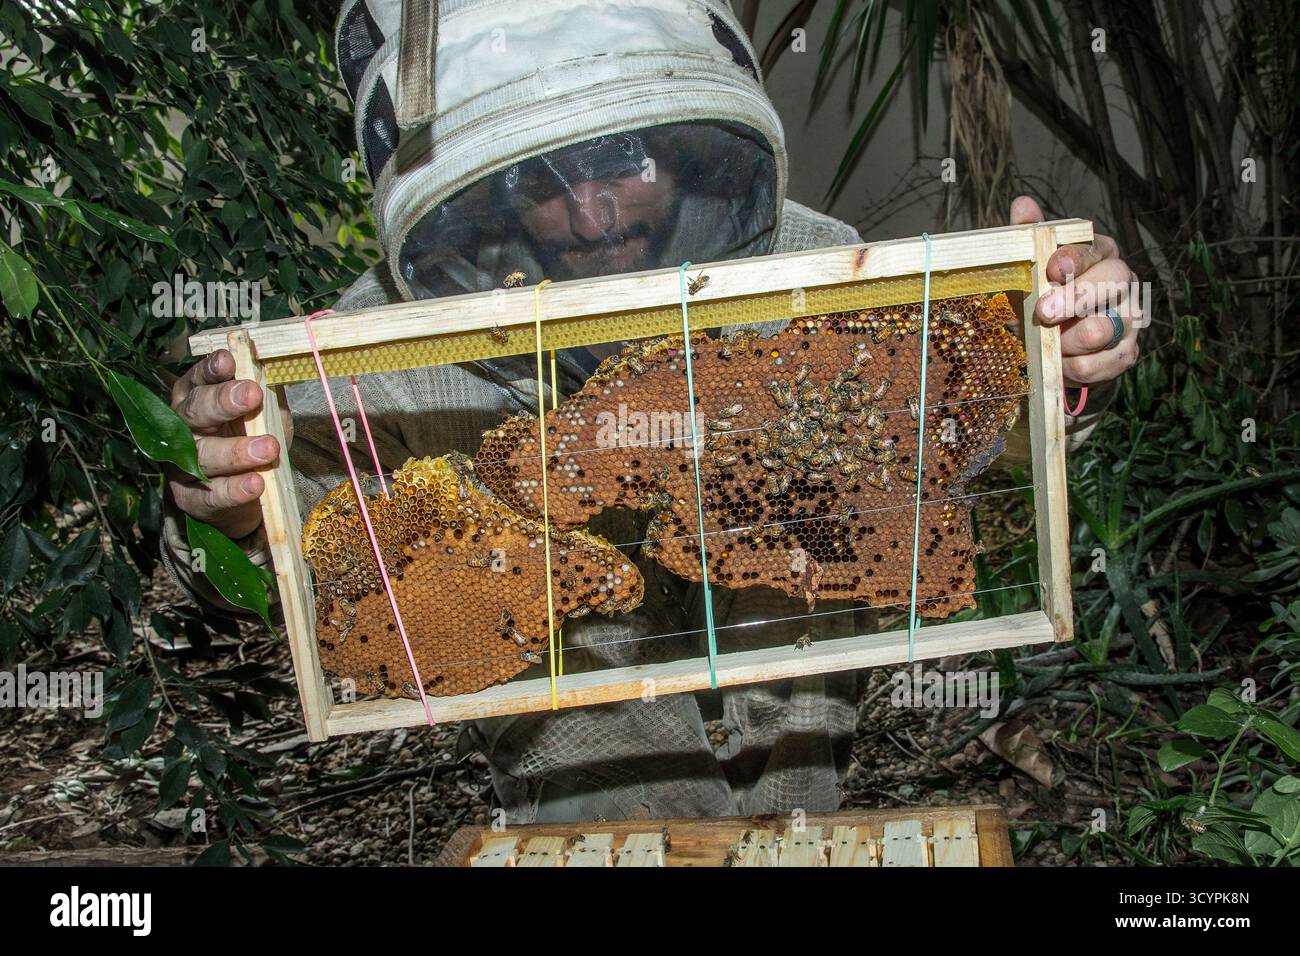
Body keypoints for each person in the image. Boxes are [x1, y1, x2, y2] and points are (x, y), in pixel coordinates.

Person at [162, 0, 1141, 823]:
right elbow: (278, 548)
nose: (594, 216)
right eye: (543, 180)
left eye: (627, 159)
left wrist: (1055, 356)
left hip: (806, 800)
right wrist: (222, 508)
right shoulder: (380, 338)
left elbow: (968, 445)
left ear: (687, 133)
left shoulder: (815, 265)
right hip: (583, 822)